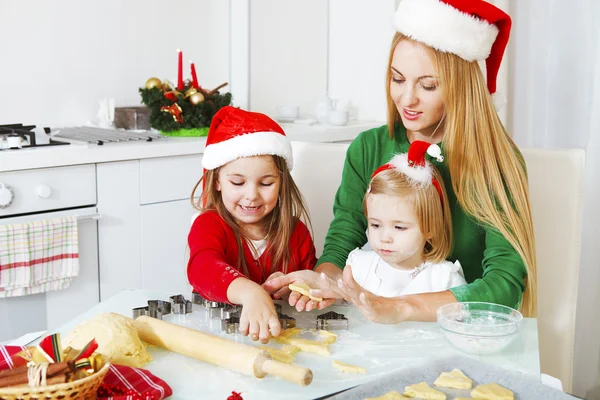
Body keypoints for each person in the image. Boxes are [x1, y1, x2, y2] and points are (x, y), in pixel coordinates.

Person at [263, 0, 538, 322]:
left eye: (428, 85)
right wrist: (324, 281)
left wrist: (401, 307)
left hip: (463, 330)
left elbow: (504, 284)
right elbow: (344, 236)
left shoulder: (496, 162)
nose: (407, 99)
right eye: (397, 79)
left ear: (463, 88)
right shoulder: (368, 148)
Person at [187, 106, 317, 343]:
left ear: (281, 183)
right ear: (217, 182)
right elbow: (203, 267)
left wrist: (295, 287)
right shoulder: (209, 225)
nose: (251, 195)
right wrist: (250, 291)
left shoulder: (296, 233)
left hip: (280, 342)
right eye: (238, 182)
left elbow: (311, 283)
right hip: (218, 341)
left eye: (266, 183)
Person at [349, 140, 466, 297]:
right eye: (376, 225)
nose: (385, 238)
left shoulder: (444, 280)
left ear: (430, 227)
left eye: (399, 227)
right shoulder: (358, 268)